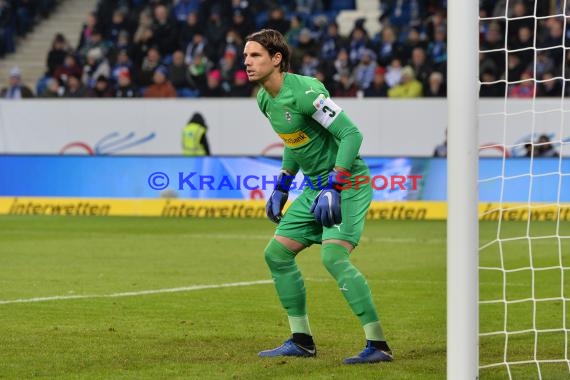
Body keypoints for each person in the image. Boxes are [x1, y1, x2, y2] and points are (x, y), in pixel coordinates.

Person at [243, 29, 392, 364]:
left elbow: (351, 134)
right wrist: (282, 183)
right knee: (276, 255)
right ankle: (301, 340)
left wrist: (335, 185)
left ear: (276, 59)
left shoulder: (307, 93)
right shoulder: (265, 99)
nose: (247, 62)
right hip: (314, 188)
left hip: (347, 183)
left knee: (333, 258)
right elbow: (294, 140)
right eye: (245, 56)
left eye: (254, 55)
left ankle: (378, 345)